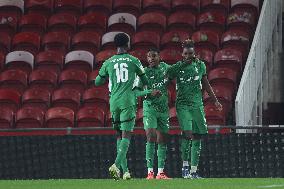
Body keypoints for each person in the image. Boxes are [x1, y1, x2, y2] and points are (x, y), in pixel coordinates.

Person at [95, 33, 154, 180]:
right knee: (126, 135)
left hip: (114, 102)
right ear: (127, 44)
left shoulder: (108, 62)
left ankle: (125, 172)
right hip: (128, 101)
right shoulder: (134, 61)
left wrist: (107, 77)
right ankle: (115, 165)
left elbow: (97, 82)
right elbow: (145, 79)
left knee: (118, 135)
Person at [167, 39, 222, 179]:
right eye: (185, 53)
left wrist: (215, 100)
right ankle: (184, 166)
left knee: (197, 136)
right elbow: (167, 78)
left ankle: (193, 171)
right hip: (183, 105)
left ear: (194, 53)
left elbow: (206, 84)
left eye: (190, 53)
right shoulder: (177, 67)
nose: (188, 56)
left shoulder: (200, 65)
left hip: (197, 105)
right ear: (182, 54)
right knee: (188, 133)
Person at [136, 48, 171, 179]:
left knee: (162, 140)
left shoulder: (165, 68)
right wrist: (148, 93)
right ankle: (150, 172)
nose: (150, 59)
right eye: (148, 57)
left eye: (153, 56)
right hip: (149, 108)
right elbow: (136, 92)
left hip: (163, 109)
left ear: (159, 57)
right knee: (150, 137)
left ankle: (160, 172)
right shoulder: (143, 73)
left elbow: (178, 70)